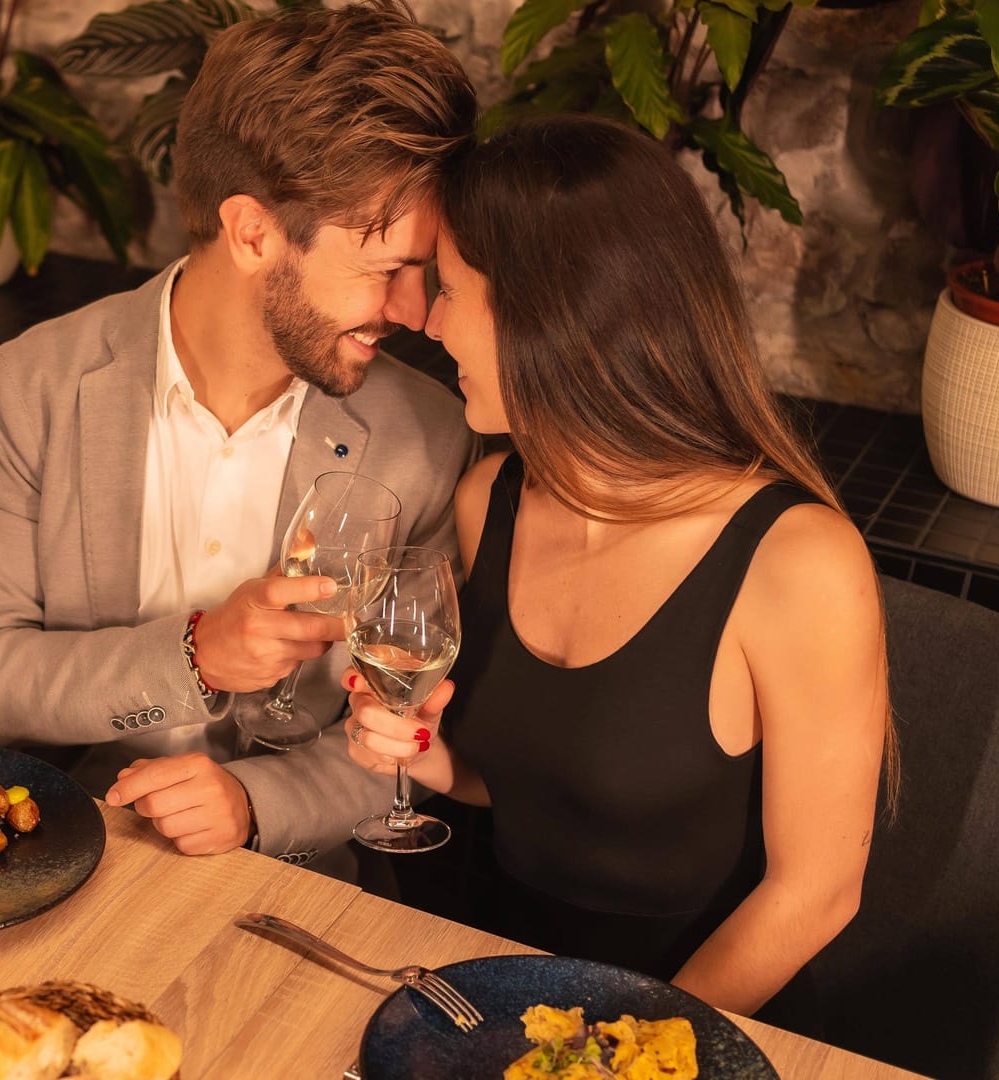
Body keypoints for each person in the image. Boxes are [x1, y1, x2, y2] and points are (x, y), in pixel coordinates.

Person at [341, 115, 892, 1024]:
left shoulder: (798, 563)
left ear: (551, 312)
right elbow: (528, 784)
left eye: (449, 291)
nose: (427, 323)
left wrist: (608, 1054)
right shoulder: (492, 500)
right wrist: (427, 758)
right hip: (487, 991)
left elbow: (816, 895)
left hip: (689, 1030)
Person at [0, 0, 479, 879]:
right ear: (253, 231)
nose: (415, 314)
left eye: (425, 271)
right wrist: (196, 655)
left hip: (284, 887)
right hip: (48, 851)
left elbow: (408, 729)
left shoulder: (425, 432)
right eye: (386, 271)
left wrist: (259, 806)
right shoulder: (38, 381)